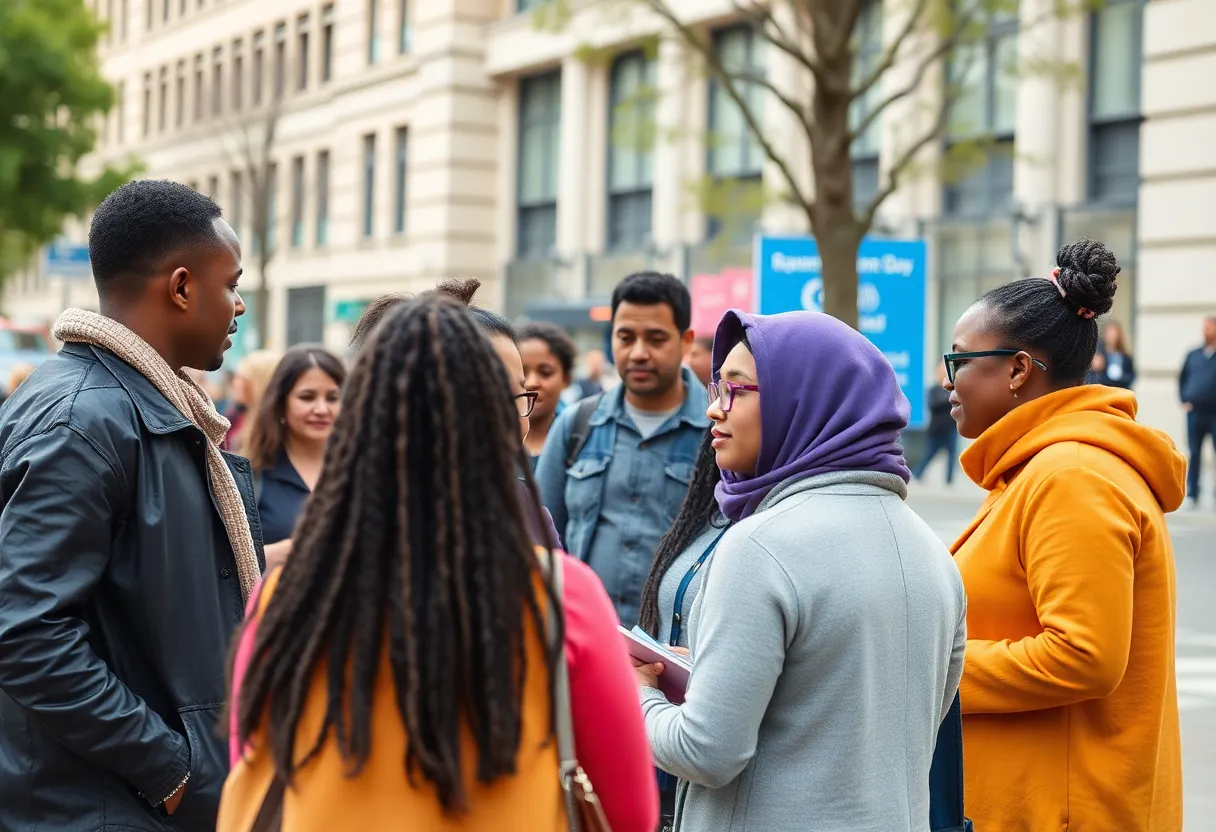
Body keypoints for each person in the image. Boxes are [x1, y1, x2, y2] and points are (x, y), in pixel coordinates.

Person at [218, 295, 659, 832]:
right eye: (517, 399)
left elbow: (253, 766)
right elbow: (629, 815)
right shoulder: (561, 596)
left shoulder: (287, 594)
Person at [635, 309, 966, 832]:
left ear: (804, 400)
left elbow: (705, 752)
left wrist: (637, 691)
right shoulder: (935, 554)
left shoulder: (758, 547)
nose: (715, 412)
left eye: (736, 389)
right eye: (715, 388)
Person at [0, 180, 262, 831]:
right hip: (97, 808)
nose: (238, 306)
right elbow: (23, 631)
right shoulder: (82, 418)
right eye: (231, 284)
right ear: (180, 287)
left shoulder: (143, 409)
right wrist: (170, 770)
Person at [944, 238, 1185, 831]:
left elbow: (1084, 657)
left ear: (1018, 369)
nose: (946, 382)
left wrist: (929, 669)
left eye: (958, 361)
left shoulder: (1071, 475)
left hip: (1064, 811)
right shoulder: (1043, 469)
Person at [536, 272, 710, 628]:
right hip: (583, 644)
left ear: (686, 341)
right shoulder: (575, 425)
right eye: (626, 337)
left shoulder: (718, 432)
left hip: (676, 656)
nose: (639, 353)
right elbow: (539, 540)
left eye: (656, 338)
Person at [348, 280, 561, 549]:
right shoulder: (355, 528)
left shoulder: (530, 512)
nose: (515, 420)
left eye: (519, 396)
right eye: (491, 394)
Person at [245, 346, 345, 571]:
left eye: (332, 398)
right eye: (307, 397)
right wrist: (269, 557)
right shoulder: (247, 479)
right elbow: (219, 567)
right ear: (281, 404)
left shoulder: (364, 474)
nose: (321, 409)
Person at [519, 322, 576, 462]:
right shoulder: (491, 439)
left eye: (545, 373)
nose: (531, 383)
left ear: (566, 379)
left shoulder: (581, 438)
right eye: (521, 372)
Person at [1181, 315, 1216, 507]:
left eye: (1210, 327)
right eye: (1205, 327)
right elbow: (1183, 378)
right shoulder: (1193, 354)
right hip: (1195, 412)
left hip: (1214, 413)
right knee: (1194, 452)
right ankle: (1193, 492)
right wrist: (1185, 399)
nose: (1206, 331)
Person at [222, 349, 282, 452]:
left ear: (259, 383)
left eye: (241, 378)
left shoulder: (274, 428)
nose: (235, 383)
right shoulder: (235, 417)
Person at [914, 364, 959, 485]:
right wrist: (948, 397)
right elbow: (934, 404)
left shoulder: (953, 390)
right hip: (936, 430)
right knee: (930, 454)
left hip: (950, 429)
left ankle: (949, 480)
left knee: (952, 456)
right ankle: (917, 474)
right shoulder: (933, 390)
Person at [1096, 320, 1136, 388]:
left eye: (1114, 333)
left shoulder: (1125, 356)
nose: (1111, 336)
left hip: (1120, 391)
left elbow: (1131, 376)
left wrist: (1119, 378)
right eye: (1109, 332)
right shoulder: (1099, 355)